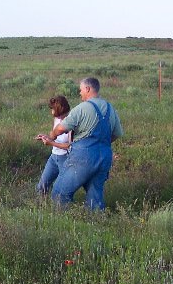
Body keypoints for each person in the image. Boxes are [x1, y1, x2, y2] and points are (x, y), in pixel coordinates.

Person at [47, 78, 123, 210]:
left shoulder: (82, 108)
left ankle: (63, 224)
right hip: (105, 156)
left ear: (87, 89)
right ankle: (97, 224)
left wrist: (51, 136)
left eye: (81, 90)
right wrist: (102, 143)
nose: (80, 93)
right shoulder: (110, 108)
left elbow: (61, 129)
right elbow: (117, 133)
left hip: (83, 157)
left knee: (59, 193)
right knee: (95, 198)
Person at [35, 95, 72, 194]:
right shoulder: (57, 119)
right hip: (54, 157)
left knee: (61, 189)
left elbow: (70, 146)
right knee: (41, 186)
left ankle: (60, 208)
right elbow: (54, 135)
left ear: (61, 109)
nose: (52, 112)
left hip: (65, 158)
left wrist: (51, 143)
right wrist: (46, 137)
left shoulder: (71, 122)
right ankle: (39, 206)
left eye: (53, 109)